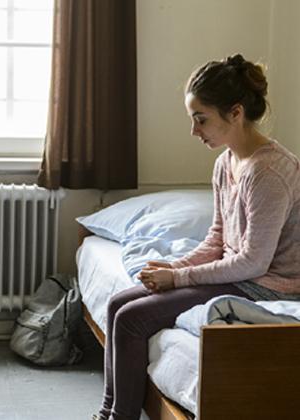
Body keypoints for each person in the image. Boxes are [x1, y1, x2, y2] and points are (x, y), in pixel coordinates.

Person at [94, 54, 300, 420]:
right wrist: (173, 268)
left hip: (268, 286)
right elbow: (217, 239)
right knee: (116, 305)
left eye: (201, 119)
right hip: (240, 274)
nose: (194, 130)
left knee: (132, 319)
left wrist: (178, 278)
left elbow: (254, 262)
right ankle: (108, 413)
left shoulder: (269, 172)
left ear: (235, 113)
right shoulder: (225, 162)